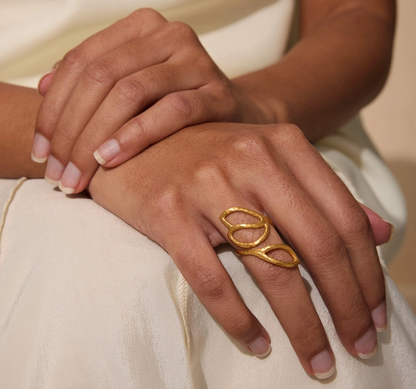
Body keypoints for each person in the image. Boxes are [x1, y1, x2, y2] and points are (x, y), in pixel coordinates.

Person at [0, 0, 415, 388]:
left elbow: (356, 13)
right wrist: (90, 134)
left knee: (287, 269)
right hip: (14, 125)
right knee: (102, 278)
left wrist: (257, 105)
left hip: (276, 108)